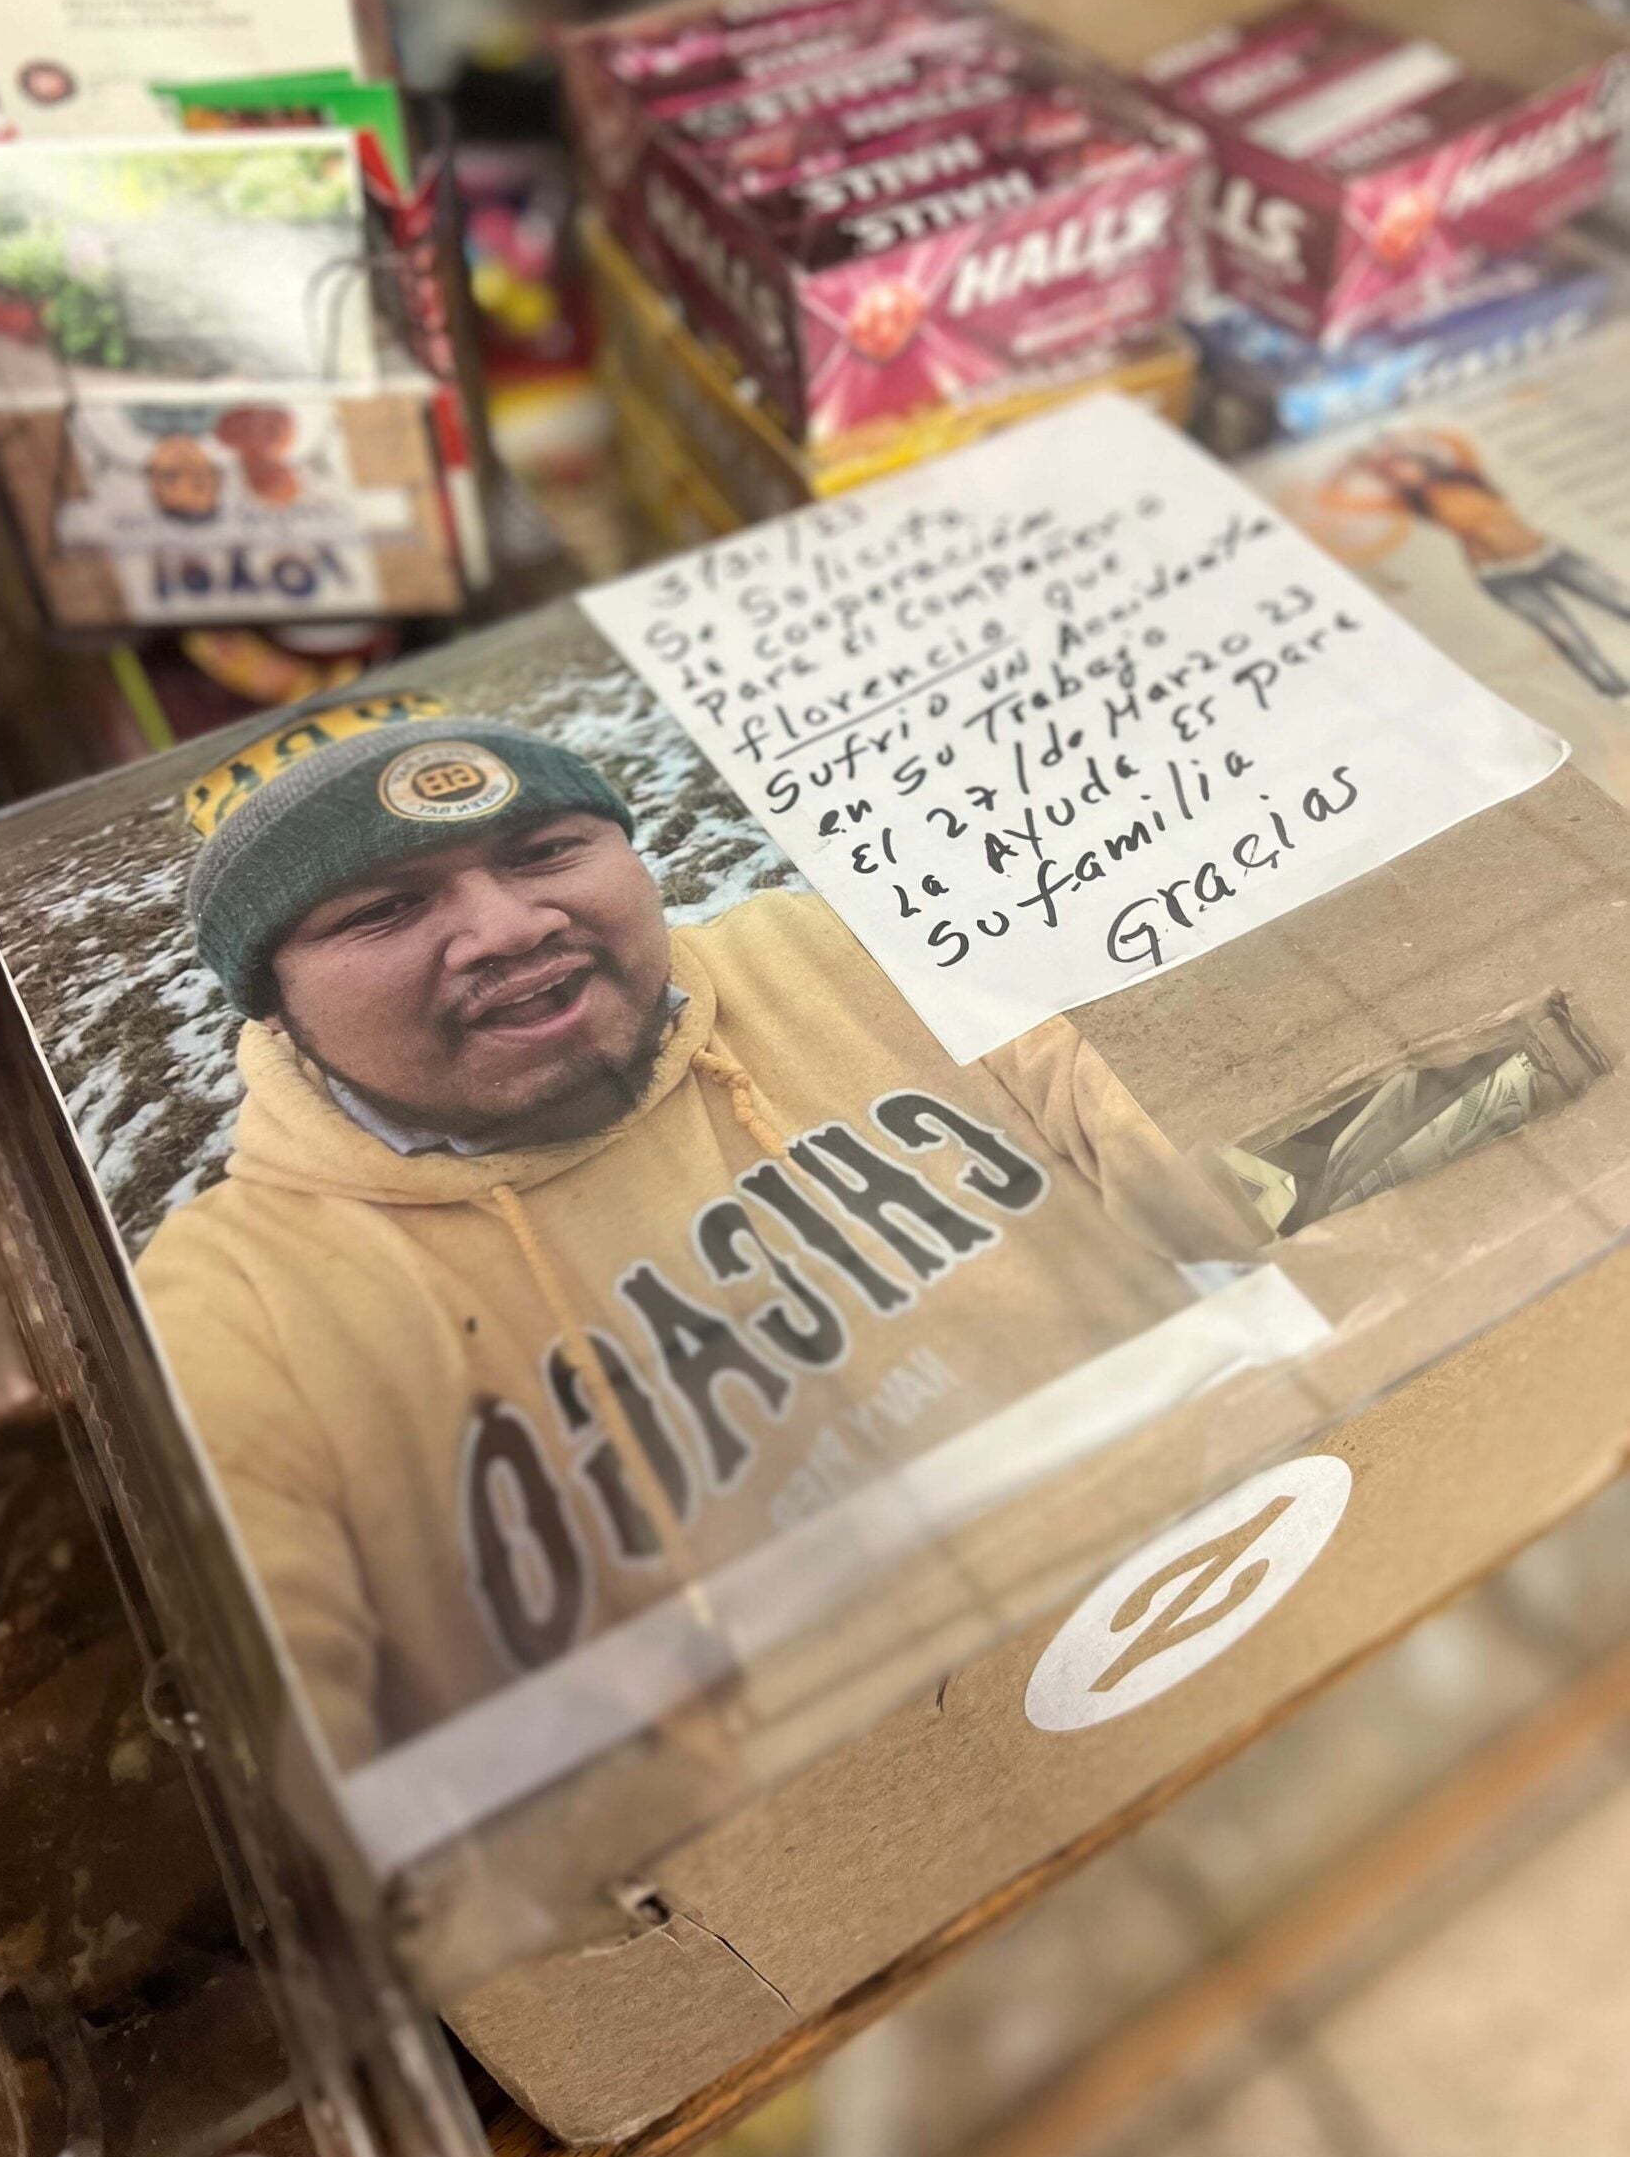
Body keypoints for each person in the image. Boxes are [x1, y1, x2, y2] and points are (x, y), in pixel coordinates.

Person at [138, 695, 1250, 1765]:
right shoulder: (239, 1302)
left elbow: (1239, 1156)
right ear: (272, 1002)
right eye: (382, 909)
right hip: (853, 1836)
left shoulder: (838, 950)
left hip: (1226, 1556)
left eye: (543, 851)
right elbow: (299, 1760)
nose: (509, 927)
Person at [1317, 426, 1630, 698]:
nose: (1403, 474)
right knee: (1564, 634)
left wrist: (1402, 442)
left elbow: (1456, 441)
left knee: (1619, 600)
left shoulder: (1466, 473)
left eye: (1405, 465)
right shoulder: (1408, 503)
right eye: (1393, 474)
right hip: (1501, 576)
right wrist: (1353, 464)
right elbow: (1335, 498)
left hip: (1548, 554)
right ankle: (1617, 693)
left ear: (1419, 461)